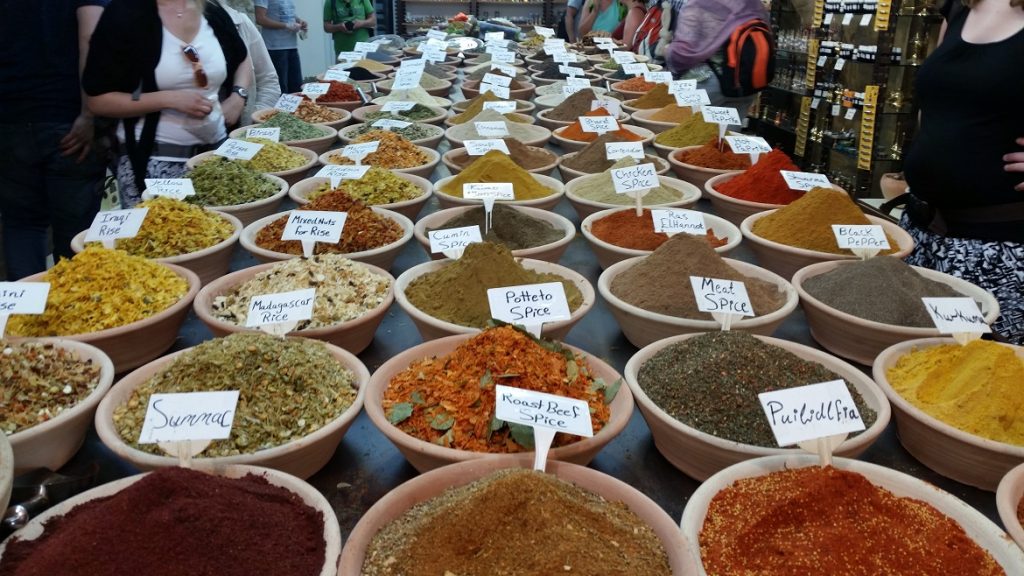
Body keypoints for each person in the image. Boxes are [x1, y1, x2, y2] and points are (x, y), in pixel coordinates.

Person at [898, 0, 1024, 344]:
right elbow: (938, 103)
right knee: (901, 362)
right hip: (921, 232)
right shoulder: (960, 7)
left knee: (973, 377)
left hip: (996, 250)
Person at [83, 0, 251, 208]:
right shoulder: (125, 14)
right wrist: (168, 99)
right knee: (168, 234)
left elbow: (243, 59)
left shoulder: (209, 10)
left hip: (213, 156)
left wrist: (238, 96)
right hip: (153, 160)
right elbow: (98, 100)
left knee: (220, 232)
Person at [0, 0, 109, 280]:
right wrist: (89, 112)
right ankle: (73, 316)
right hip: (69, 120)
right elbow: (92, 37)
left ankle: (25, 320)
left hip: (10, 119)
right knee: (76, 232)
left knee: (22, 224)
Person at [216, 0, 281, 123]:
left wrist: (253, 121)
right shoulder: (170, 29)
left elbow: (268, 80)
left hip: (240, 132)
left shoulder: (240, 22)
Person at [254, 0, 306, 94]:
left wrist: (299, 21)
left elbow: (288, 14)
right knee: (281, 89)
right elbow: (260, 18)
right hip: (275, 48)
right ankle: (280, 109)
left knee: (296, 88)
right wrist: (286, 26)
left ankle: (299, 109)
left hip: (291, 45)